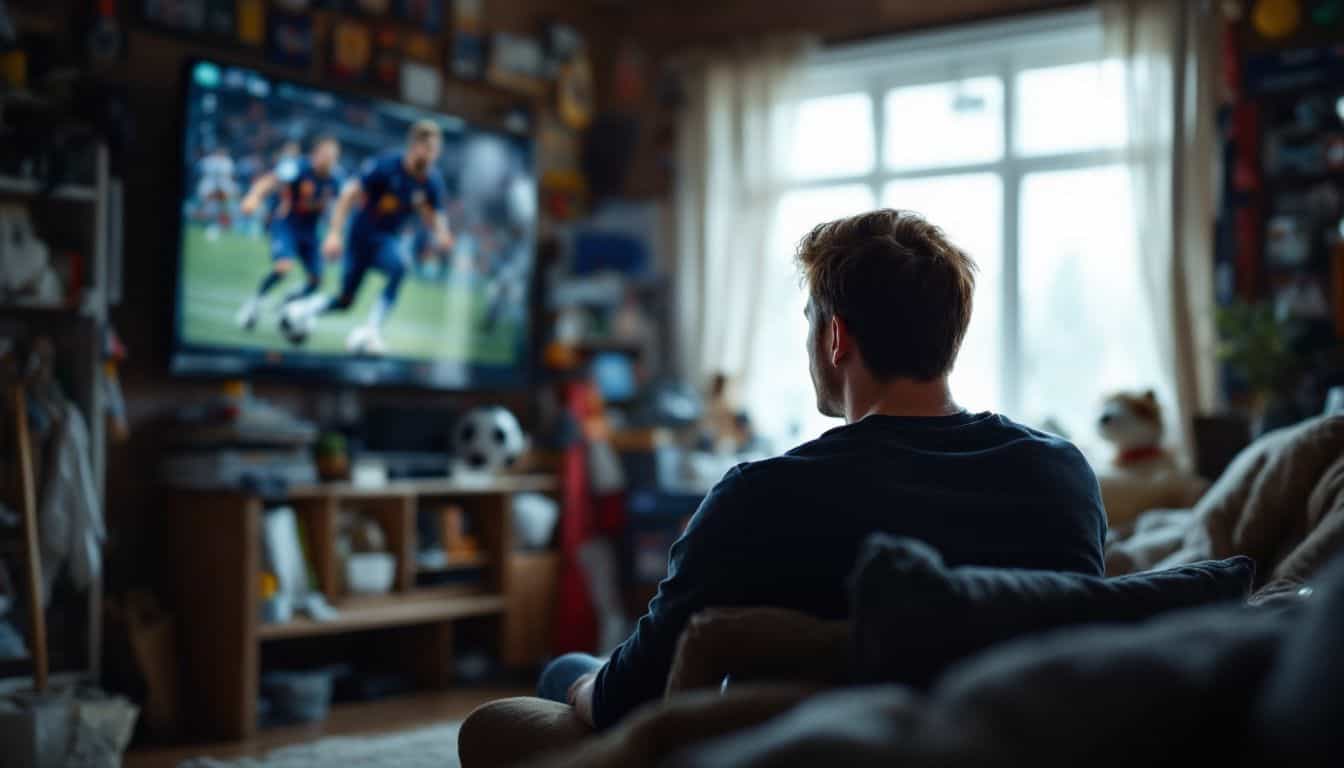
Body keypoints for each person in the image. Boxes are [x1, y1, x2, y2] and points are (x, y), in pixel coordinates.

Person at [461, 209, 1107, 763]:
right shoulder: (1063, 472)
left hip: (803, 749)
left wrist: (585, 686)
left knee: (555, 680)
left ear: (835, 338)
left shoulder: (764, 493)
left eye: (809, 323)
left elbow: (631, 698)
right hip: (999, 743)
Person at [282, 120, 454, 355]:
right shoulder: (386, 165)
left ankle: (371, 331)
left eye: (437, 150)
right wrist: (334, 234)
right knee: (345, 301)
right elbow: (348, 195)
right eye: (431, 149)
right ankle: (300, 310)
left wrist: (443, 233)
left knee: (400, 267)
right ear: (416, 146)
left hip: (385, 239)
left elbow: (436, 212)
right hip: (360, 237)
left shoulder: (432, 180)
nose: (435, 155)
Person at [235, 136, 343, 331]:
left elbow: (337, 207)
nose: (329, 161)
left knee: (316, 280)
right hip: (287, 224)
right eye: (326, 156)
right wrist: (254, 196)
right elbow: (271, 181)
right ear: (315, 154)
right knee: (284, 266)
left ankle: (287, 305)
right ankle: (254, 303)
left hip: (310, 232)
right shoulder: (298, 167)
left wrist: (334, 234)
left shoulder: (335, 180)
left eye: (333, 157)